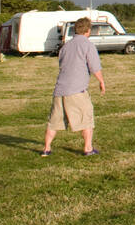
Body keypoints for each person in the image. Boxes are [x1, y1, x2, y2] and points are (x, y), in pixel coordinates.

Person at [41, 17, 105, 157]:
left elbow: (62, 65)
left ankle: (46, 149)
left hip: (59, 90)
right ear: (88, 30)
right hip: (77, 90)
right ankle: (88, 148)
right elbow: (94, 67)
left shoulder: (65, 46)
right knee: (87, 118)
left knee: (54, 121)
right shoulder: (88, 45)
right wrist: (101, 81)